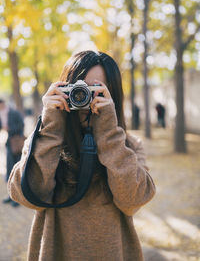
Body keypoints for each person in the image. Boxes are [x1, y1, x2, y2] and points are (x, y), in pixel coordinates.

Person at [8, 51, 156, 261]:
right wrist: (50, 127)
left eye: (97, 90)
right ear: (65, 88)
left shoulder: (128, 145)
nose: (85, 97)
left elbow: (133, 201)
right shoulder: (43, 140)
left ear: (114, 97)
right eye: (80, 88)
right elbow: (27, 196)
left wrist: (109, 134)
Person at [0, 99, 24, 207]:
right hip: (9, 144)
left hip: (17, 144)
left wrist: (9, 129)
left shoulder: (14, 112)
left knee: (17, 171)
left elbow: (21, 125)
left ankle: (18, 199)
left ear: (3, 104)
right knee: (10, 171)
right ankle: (11, 196)